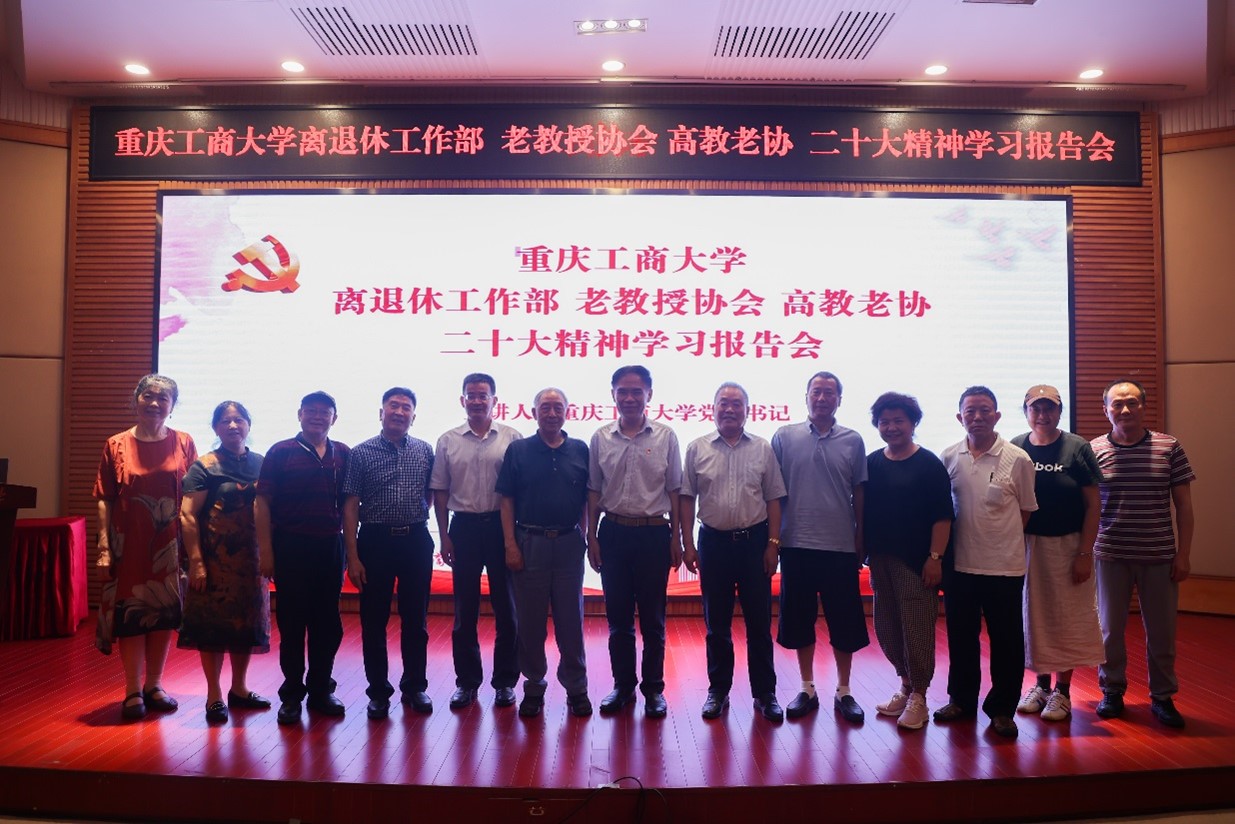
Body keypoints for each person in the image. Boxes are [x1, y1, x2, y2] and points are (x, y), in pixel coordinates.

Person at [1090, 379, 1196, 729]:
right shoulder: (1093, 450)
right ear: (1105, 409)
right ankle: (1112, 690)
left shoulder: (1169, 446)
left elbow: (1184, 506)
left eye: (1132, 402)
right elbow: (1087, 507)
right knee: (1109, 630)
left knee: (1162, 632)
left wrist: (1183, 554)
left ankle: (1163, 696)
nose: (1125, 409)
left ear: (1143, 407)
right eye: (1117, 404)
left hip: (1159, 554)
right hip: (1110, 554)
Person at [94, 374, 198, 720]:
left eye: (163, 398)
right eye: (148, 396)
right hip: (128, 543)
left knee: (163, 614)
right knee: (131, 615)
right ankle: (132, 690)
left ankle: (154, 685)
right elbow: (105, 498)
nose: (154, 404)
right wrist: (104, 547)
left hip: (170, 544)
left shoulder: (184, 442)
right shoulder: (116, 444)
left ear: (172, 405)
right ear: (136, 400)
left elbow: (195, 497)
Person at [681, 382, 787, 722]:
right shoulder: (697, 448)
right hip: (713, 544)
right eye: (723, 403)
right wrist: (688, 544)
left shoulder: (762, 448)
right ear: (712, 409)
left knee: (759, 623)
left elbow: (774, 498)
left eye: (737, 404)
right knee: (716, 624)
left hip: (754, 543)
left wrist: (773, 544)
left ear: (747, 410)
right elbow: (687, 498)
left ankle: (765, 693)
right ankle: (718, 690)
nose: (729, 409)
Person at [936, 386, 1037, 739]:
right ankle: (961, 701)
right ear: (959, 417)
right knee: (961, 639)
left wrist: (999, 539)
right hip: (960, 566)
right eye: (970, 411)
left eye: (984, 410)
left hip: (1004, 568)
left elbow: (1025, 510)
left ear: (997, 416)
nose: (977, 417)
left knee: (1007, 642)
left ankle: (1002, 709)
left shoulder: (1018, 459)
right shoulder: (949, 457)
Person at [771, 372, 870, 724]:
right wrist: (774, 539)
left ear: (839, 399)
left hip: (840, 545)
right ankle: (807, 687)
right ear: (806, 396)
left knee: (845, 620)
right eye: (817, 391)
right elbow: (773, 492)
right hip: (795, 543)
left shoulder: (853, 440)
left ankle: (844, 690)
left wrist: (860, 536)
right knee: (799, 619)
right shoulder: (784, 436)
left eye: (830, 393)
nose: (823, 398)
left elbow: (859, 492)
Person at [587, 365, 682, 719]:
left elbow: (675, 490)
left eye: (636, 391)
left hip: (653, 534)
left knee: (653, 620)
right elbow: (593, 490)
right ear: (613, 394)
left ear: (649, 395)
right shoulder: (600, 437)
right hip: (612, 533)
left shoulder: (666, 436)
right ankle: (623, 686)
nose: (629, 398)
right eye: (623, 391)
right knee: (618, 618)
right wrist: (591, 536)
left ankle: (654, 689)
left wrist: (677, 538)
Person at [255, 391, 351, 725]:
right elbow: (262, 503)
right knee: (293, 623)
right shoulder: (281, 452)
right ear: (300, 414)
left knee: (328, 623)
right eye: (311, 411)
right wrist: (266, 551)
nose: (317, 417)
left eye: (325, 412)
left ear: (334, 418)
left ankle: (321, 689)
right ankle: (292, 694)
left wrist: (350, 551)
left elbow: (349, 505)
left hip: (330, 547)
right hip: (290, 547)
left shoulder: (343, 453)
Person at [496, 387, 593, 719]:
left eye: (558, 407)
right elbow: (506, 500)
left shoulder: (580, 449)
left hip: (568, 545)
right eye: (545, 407)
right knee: (530, 622)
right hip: (529, 543)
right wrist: (510, 544)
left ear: (568, 411)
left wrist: (583, 536)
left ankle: (576, 688)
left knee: (571, 621)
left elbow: (586, 499)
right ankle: (534, 686)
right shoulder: (519, 450)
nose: (552, 414)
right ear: (533, 412)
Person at [1011, 385, 1104, 723]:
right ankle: (1040, 686)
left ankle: (1062, 691)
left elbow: (1093, 504)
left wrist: (1084, 553)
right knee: (1034, 616)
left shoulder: (1076, 447)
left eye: (1049, 408)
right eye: (1035, 408)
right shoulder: (1017, 447)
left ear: (1059, 412)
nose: (1042, 414)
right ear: (1026, 412)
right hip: (1027, 545)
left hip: (1069, 545)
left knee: (1066, 617)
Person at [342, 387, 435, 721]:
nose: (399, 412)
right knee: (373, 620)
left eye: (406, 407)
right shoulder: (360, 453)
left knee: (416, 620)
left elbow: (429, 494)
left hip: (415, 540)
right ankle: (379, 692)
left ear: (413, 415)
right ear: (381, 413)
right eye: (393, 406)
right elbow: (350, 504)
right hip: (375, 541)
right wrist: (353, 556)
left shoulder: (424, 450)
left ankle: (414, 687)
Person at [430, 373, 522, 711]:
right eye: (471, 395)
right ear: (463, 400)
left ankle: (505, 682)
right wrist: (444, 535)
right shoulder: (448, 440)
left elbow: (519, 490)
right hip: (464, 528)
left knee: (507, 609)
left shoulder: (512, 438)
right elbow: (440, 492)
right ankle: (467, 682)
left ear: (494, 400)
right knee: (464, 610)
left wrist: (514, 538)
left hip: (501, 527)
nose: (477, 401)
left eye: (483, 395)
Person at [863, 392, 953, 730]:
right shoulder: (872, 462)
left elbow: (943, 516)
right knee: (887, 628)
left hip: (916, 563)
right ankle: (904, 685)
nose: (891, 427)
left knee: (916, 629)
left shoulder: (928, 464)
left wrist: (935, 558)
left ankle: (920, 696)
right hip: (880, 560)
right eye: (884, 421)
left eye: (898, 420)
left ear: (913, 423)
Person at [179, 401, 271, 724]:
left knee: (246, 624)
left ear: (248, 425)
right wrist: (196, 562)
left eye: (239, 420)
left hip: (251, 562)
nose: (233, 425)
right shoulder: (204, 466)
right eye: (225, 421)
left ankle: (240, 689)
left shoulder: (261, 463)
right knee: (213, 627)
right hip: (214, 562)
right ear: (216, 428)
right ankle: (214, 695)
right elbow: (187, 515)